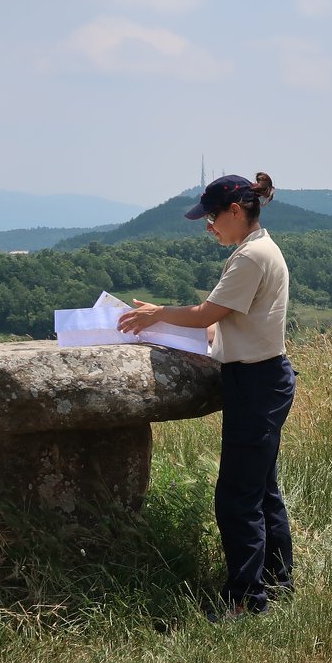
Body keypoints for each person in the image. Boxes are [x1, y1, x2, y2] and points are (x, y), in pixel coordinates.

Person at [118, 172, 295, 619]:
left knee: (236, 497)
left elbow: (206, 314)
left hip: (254, 383)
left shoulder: (250, 257)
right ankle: (277, 583)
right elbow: (227, 319)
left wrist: (157, 315)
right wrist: (182, 323)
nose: (209, 227)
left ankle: (244, 601)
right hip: (265, 378)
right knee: (261, 490)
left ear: (236, 211)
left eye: (213, 218)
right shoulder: (259, 250)